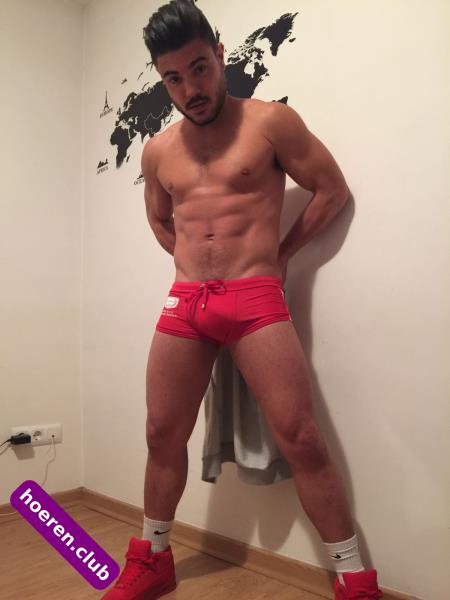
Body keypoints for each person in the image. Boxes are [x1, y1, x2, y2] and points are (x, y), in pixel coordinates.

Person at [102, 1, 383, 599]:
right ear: (162, 79)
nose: (190, 89)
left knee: (301, 437)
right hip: (186, 303)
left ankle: (355, 577)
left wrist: (282, 255)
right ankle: (152, 557)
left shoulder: (271, 122)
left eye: (199, 69)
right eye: (173, 78)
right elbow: (160, 218)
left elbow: (330, 190)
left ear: (220, 54)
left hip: (256, 298)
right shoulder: (158, 151)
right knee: (160, 433)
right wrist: (191, 262)